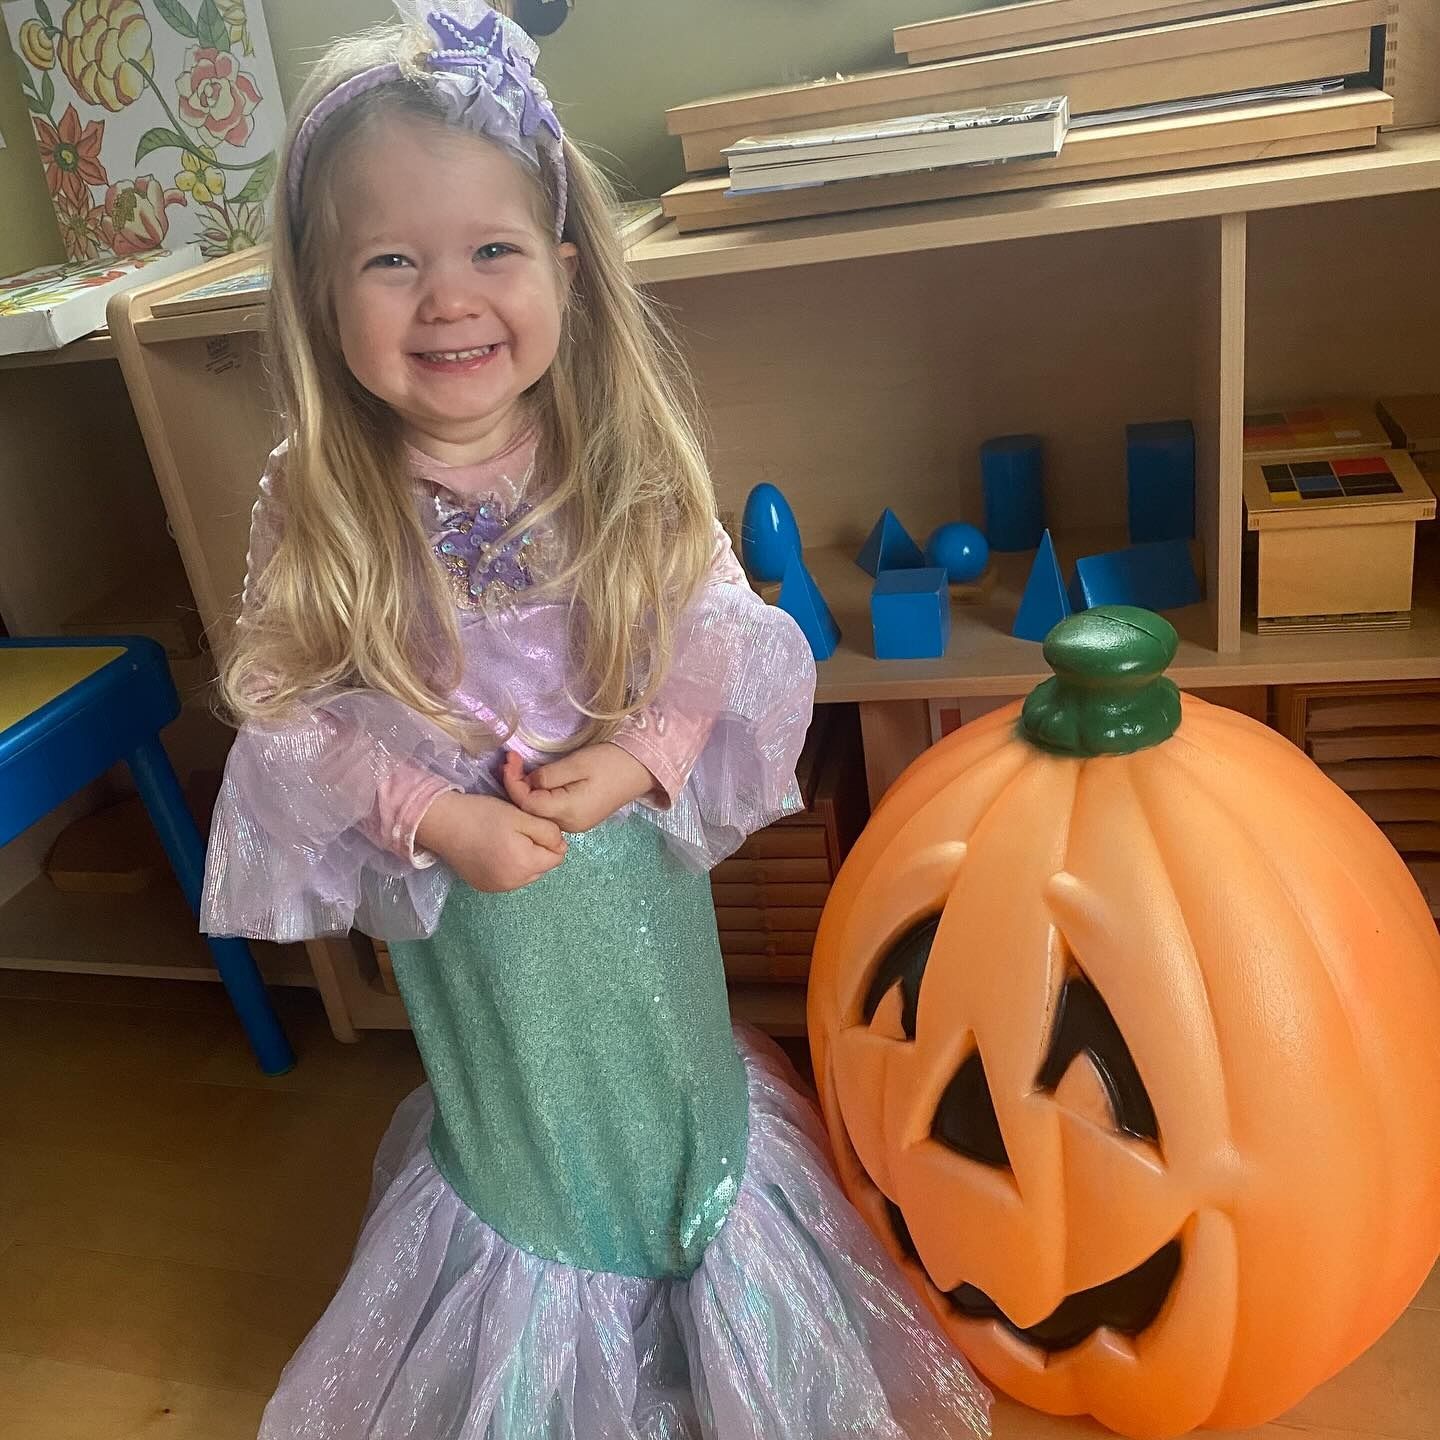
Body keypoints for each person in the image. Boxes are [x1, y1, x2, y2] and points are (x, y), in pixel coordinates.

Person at [201, 3, 992, 1435]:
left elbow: (716, 629)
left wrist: (641, 758)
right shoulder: (312, 497)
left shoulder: (618, 444)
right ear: (325, 295)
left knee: (667, 1107)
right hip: (473, 905)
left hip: (625, 863)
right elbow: (283, 719)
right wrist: (435, 815)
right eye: (393, 261)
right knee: (537, 1143)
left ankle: (713, 1329)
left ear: (561, 265)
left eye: (491, 250)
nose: (448, 298)